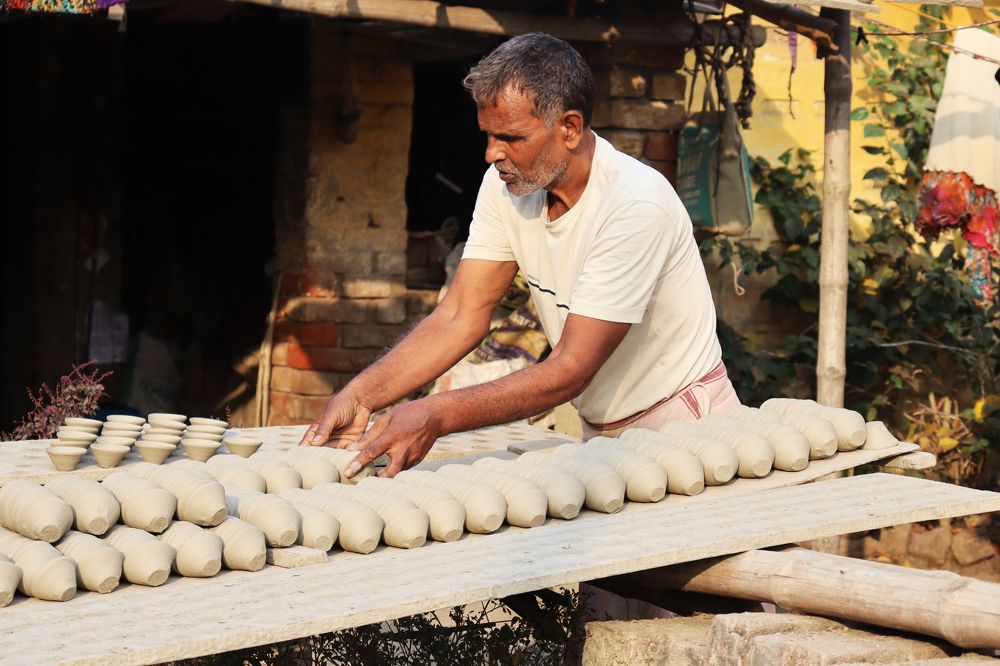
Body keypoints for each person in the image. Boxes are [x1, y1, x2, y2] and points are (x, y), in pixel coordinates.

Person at [300, 33, 739, 477]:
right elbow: (460, 314)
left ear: (569, 127)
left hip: (686, 430)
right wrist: (361, 395)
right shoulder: (507, 186)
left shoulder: (634, 205)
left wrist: (435, 414)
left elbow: (570, 368)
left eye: (511, 137)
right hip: (604, 434)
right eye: (489, 135)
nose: (492, 154)